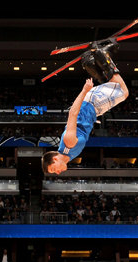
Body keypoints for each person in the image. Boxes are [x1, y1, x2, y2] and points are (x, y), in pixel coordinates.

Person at [42, 41, 129, 175]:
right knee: (112, 85)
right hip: (93, 110)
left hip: (91, 103)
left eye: (54, 169)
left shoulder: (68, 143)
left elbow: (72, 113)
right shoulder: (69, 155)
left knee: (123, 92)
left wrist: (84, 91)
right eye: (54, 172)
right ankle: (90, 63)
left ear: (55, 158)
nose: (57, 172)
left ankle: (102, 52)